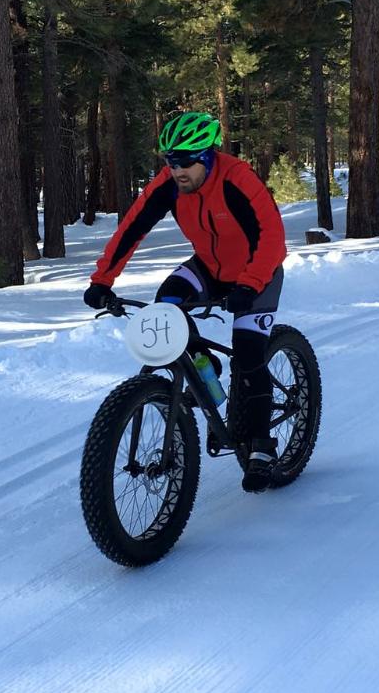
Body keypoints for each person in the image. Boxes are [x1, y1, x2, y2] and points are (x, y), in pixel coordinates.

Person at [84, 111, 287, 493]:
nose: (177, 169)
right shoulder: (169, 185)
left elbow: (272, 237)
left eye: (185, 161)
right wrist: (102, 280)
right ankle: (202, 366)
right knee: (167, 306)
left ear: (208, 157)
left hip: (257, 271)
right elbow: (131, 229)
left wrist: (249, 284)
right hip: (208, 267)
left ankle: (261, 447)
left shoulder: (237, 179)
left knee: (247, 353)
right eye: (169, 160)